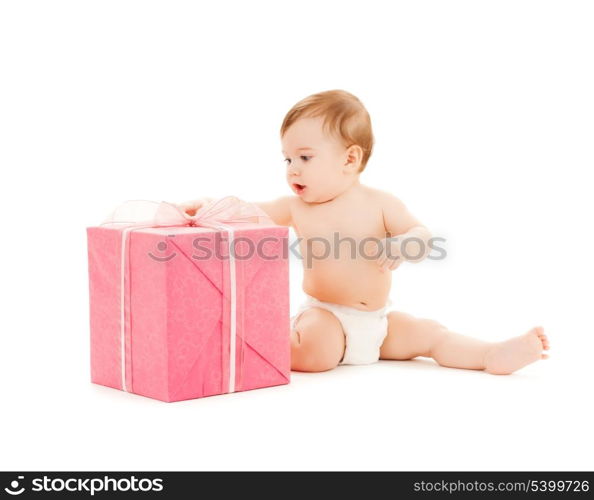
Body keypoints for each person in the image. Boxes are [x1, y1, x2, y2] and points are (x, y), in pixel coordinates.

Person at [180, 89, 549, 374]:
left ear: (350, 159)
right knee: (316, 352)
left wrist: (406, 244)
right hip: (326, 315)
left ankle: (491, 354)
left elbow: (420, 235)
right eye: (288, 159)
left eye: (305, 157)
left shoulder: (381, 203)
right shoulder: (295, 207)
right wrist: (212, 206)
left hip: (377, 322)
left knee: (430, 335)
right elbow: (249, 213)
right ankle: (245, 340)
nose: (292, 169)